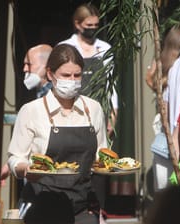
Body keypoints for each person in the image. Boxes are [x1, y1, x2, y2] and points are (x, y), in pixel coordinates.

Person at [7, 44, 107, 224]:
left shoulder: (93, 108)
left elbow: (101, 154)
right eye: (66, 76)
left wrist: (110, 166)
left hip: (83, 205)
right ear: (50, 74)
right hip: (42, 204)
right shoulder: (31, 111)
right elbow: (15, 158)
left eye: (77, 75)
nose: (72, 80)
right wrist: (26, 170)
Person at [58, 3, 118, 138]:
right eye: (89, 25)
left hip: (99, 110)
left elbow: (111, 85)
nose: (93, 29)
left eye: (96, 25)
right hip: (72, 110)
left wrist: (113, 114)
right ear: (77, 24)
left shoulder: (105, 49)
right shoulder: (65, 47)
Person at [0, 44, 53, 186]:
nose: (24, 69)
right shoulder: (38, 95)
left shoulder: (55, 99)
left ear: (47, 66)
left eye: (29, 64)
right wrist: (9, 166)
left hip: (48, 178)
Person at [146, 26, 180, 192]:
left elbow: (148, 78)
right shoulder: (174, 66)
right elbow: (148, 77)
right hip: (171, 133)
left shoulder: (165, 63)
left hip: (167, 129)